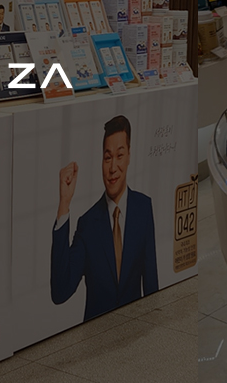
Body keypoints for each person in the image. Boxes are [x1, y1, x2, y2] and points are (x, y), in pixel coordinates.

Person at [51, 116, 158, 320]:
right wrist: (64, 203)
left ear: (129, 156)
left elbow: (151, 283)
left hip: (135, 331)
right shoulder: (88, 224)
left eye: (120, 155)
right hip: (97, 335)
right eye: (107, 158)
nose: (112, 167)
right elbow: (60, 291)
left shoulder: (143, 208)